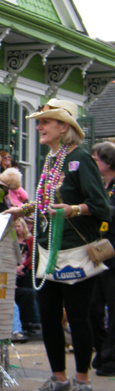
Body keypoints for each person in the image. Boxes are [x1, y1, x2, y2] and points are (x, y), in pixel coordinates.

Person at [4, 99, 110, 391]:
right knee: (49, 316)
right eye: (39, 122)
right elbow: (49, 202)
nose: (39, 127)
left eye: (45, 122)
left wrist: (73, 209)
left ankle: (83, 382)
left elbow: (102, 207)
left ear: (64, 127)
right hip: (48, 249)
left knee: (78, 317)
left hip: (74, 251)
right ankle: (59, 379)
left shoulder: (80, 159)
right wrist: (25, 208)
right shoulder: (53, 160)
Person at [89, 141, 115, 376]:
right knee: (93, 308)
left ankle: (110, 358)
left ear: (108, 162)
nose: (93, 163)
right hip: (97, 255)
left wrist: (98, 208)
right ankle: (102, 348)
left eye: (96, 159)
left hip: (113, 255)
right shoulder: (98, 185)